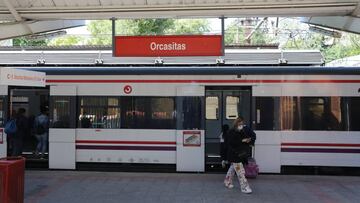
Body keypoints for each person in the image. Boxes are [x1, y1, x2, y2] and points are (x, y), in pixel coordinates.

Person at [223, 116, 255, 194]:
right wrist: (242, 141)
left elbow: (245, 138)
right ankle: (244, 187)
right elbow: (232, 143)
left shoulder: (241, 131)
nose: (241, 126)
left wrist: (248, 140)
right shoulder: (231, 132)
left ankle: (227, 181)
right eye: (240, 124)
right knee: (240, 171)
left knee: (232, 169)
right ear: (236, 124)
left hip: (239, 154)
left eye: (242, 124)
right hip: (234, 154)